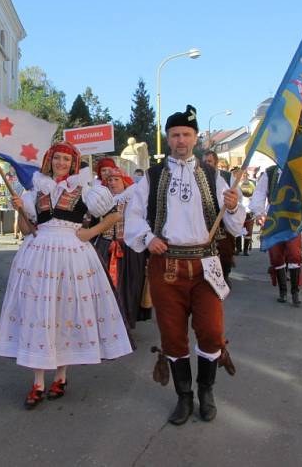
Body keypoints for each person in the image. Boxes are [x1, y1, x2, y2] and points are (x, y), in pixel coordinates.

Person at [125, 105, 245, 426]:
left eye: (186, 135)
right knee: (173, 336)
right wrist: (148, 238)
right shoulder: (151, 177)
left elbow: (234, 224)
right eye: (175, 135)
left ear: (195, 138)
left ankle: (206, 392)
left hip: (206, 264)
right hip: (166, 265)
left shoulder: (215, 176)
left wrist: (233, 207)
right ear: (168, 138)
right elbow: (133, 216)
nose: (181, 140)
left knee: (211, 331)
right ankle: (184, 397)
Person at [0, 141, 132, 409]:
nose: (61, 163)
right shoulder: (34, 190)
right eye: (57, 158)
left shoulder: (86, 190)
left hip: (72, 255)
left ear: (73, 163)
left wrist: (89, 233)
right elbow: (26, 229)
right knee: (39, 314)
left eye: (66, 160)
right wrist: (19, 210)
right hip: (37, 255)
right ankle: (38, 382)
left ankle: (61, 376)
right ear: (49, 160)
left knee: (64, 314)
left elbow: (114, 215)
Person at [93, 167, 150, 331]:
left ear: (124, 182)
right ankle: (106, 323)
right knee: (105, 286)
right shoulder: (102, 200)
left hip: (128, 248)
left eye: (116, 179)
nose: (112, 183)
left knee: (129, 286)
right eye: (109, 180)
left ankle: (124, 322)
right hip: (105, 246)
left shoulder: (133, 199)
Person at [250, 164, 302, 306]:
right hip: (274, 219)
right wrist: (259, 213)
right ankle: (283, 292)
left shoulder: (298, 170)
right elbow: (259, 194)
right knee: (276, 256)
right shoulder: (270, 172)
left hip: (292, 220)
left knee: (294, 254)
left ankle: (295, 293)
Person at [202, 150, 238, 284]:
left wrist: (232, 205)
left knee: (225, 249)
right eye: (204, 161)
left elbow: (236, 198)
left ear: (216, 163)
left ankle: (225, 275)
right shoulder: (195, 175)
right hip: (202, 221)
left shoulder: (227, 178)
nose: (206, 164)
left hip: (222, 220)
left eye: (209, 161)